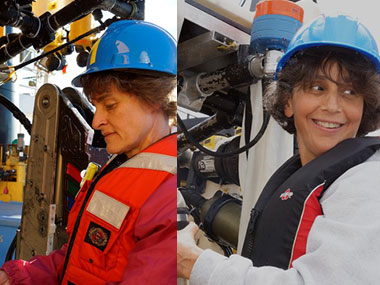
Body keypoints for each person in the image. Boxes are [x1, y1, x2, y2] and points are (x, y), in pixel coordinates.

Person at [177, 14, 380, 284]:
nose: (333, 106)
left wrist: (194, 263)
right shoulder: (315, 176)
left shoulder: (367, 181)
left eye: (350, 92)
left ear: (365, 107)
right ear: (287, 102)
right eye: (317, 87)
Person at [0, 20, 177, 284]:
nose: (96, 121)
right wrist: (16, 275)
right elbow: (78, 259)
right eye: (96, 106)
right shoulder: (121, 165)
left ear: (154, 98)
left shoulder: (168, 196)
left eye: (110, 105)